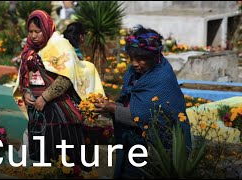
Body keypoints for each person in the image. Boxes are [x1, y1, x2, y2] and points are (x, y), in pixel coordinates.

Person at [94, 25, 192, 178]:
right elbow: (130, 100)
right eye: (131, 58)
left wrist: (114, 108)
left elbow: (147, 117)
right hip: (130, 142)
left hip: (154, 148)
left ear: (153, 57)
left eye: (140, 59)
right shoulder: (135, 73)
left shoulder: (162, 78)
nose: (134, 63)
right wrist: (110, 106)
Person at [17, 10, 105, 168]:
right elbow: (25, 76)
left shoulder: (60, 46)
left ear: (46, 28)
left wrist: (44, 98)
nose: (33, 36)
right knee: (39, 153)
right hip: (37, 110)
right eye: (30, 32)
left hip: (58, 109)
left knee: (60, 152)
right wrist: (26, 92)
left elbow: (66, 77)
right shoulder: (29, 49)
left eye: (38, 31)